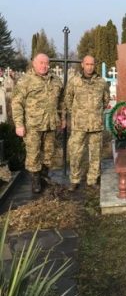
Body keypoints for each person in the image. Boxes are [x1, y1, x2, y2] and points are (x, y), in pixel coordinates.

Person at [11, 53, 64, 193]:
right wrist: (19, 124)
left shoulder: (56, 80)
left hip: (50, 124)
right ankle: (35, 182)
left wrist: (63, 118)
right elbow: (17, 103)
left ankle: (43, 177)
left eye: (46, 63)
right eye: (41, 62)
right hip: (32, 125)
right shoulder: (25, 81)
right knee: (33, 154)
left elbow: (62, 102)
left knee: (49, 154)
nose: (44, 66)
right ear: (34, 64)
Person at [64, 56, 110, 191]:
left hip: (96, 124)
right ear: (82, 65)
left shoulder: (101, 82)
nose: (90, 67)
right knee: (75, 153)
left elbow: (105, 100)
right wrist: (78, 113)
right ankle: (74, 179)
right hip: (79, 124)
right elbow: (68, 99)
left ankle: (92, 179)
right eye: (87, 64)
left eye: (92, 64)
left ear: (94, 65)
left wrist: (95, 112)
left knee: (95, 153)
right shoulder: (74, 81)